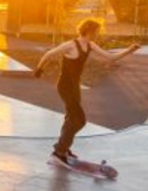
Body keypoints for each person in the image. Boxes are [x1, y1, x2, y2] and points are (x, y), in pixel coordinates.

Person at [34, 19, 139, 165]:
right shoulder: (71, 45)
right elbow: (49, 54)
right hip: (65, 86)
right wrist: (39, 69)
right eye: (97, 31)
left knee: (71, 117)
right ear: (89, 30)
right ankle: (59, 152)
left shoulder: (90, 45)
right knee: (79, 120)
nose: (98, 33)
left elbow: (110, 58)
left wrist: (130, 50)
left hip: (75, 87)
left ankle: (64, 147)